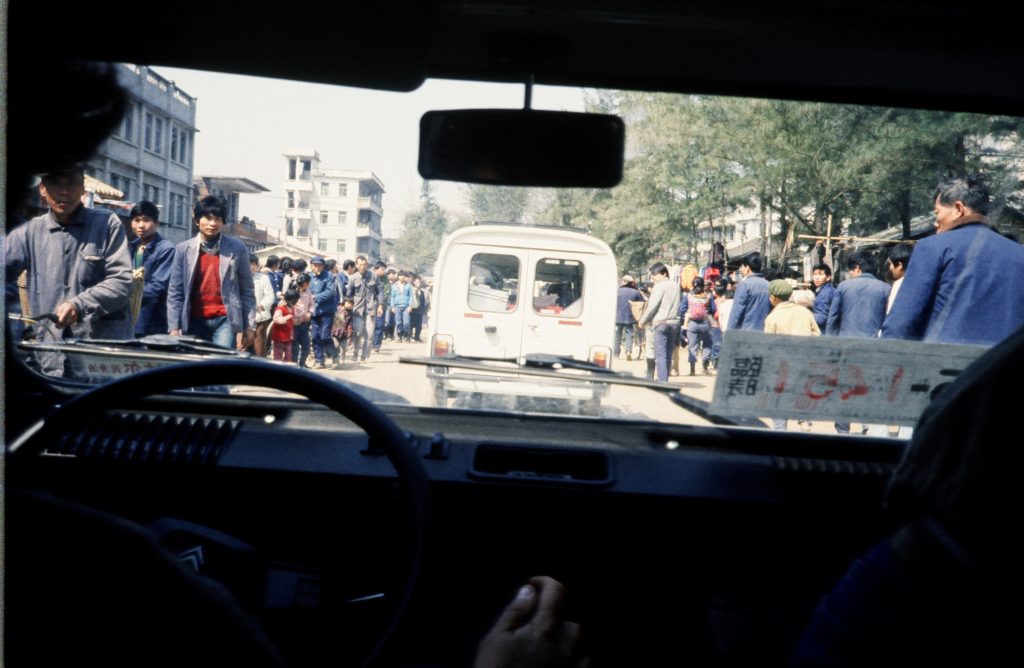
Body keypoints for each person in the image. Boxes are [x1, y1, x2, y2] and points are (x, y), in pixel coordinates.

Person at [5, 165, 134, 375]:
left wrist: (79, 304)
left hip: (101, 358)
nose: (64, 191)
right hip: (50, 356)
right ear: (43, 189)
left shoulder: (107, 224)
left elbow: (122, 281)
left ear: (83, 188)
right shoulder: (29, 232)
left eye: (71, 183)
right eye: (56, 183)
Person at [882, 176, 1024, 346]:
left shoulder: (933, 247)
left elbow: (901, 323)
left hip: (947, 365)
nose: (936, 223)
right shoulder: (1018, 253)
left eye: (938, 213)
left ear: (958, 208)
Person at [167, 196, 256, 350]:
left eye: (218, 219)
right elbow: (175, 291)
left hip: (225, 320)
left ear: (223, 222)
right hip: (194, 319)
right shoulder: (183, 249)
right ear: (197, 220)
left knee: (219, 365)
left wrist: (249, 326)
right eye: (207, 218)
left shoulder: (237, 248)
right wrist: (174, 326)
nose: (213, 223)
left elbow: (247, 290)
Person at [825, 252, 890, 434]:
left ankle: (843, 429)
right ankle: (867, 426)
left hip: (846, 347)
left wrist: (829, 344)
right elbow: (888, 320)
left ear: (857, 268)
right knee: (869, 387)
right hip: (874, 347)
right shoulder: (885, 288)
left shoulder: (844, 287)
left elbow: (833, 319)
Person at [763, 279, 821, 430]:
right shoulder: (805, 312)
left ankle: (781, 431)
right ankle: (804, 421)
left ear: (773, 298)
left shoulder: (772, 318)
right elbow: (817, 336)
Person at [127, 200, 175, 337]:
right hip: (129, 320)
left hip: (152, 322)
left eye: (146, 220)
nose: (141, 225)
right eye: (136, 220)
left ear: (156, 223)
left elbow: (157, 286)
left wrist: (123, 293)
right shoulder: (131, 247)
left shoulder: (166, 249)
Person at [637, 262, 681, 382]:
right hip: (674, 323)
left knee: (660, 353)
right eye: (652, 275)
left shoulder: (659, 286)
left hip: (661, 323)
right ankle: (664, 379)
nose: (653, 277)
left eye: (654, 275)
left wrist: (642, 321)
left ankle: (662, 381)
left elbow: (652, 306)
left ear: (663, 273)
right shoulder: (676, 286)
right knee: (667, 353)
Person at [308, 256, 340, 368]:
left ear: (323, 266)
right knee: (315, 336)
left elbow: (330, 292)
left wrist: (315, 297)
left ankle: (334, 354)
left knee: (324, 335)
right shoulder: (308, 276)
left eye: (319, 265)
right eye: (315, 265)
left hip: (327, 310)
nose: (317, 267)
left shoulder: (329, 276)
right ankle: (319, 360)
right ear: (311, 265)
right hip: (313, 311)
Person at [680, 277, 716, 375]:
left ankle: (692, 369)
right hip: (705, 323)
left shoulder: (688, 296)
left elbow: (682, 310)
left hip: (692, 324)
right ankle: (705, 367)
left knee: (692, 346)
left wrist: (687, 316)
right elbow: (713, 309)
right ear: (703, 285)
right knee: (707, 344)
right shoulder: (708, 295)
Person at [727, 252, 771, 331]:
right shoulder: (769, 285)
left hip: (746, 333)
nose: (741, 269)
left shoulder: (744, 285)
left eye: (742, 267)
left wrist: (728, 333)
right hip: (764, 332)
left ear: (747, 268)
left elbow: (736, 312)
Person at [347, 255, 378, 362]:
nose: (363, 267)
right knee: (358, 332)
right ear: (356, 265)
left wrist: (381, 305)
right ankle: (355, 353)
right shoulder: (353, 278)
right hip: (358, 310)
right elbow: (349, 294)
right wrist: (349, 302)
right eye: (360, 264)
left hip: (371, 309)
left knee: (369, 334)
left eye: (365, 265)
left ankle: (364, 356)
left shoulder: (374, 276)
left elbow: (380, 291)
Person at [250, 254, 276, 358]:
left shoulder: (263, 278)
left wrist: (261, 306)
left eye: (253, 264)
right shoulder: (238, 277)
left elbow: (270, 295)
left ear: (257, 266)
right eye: (248, 264)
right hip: (242, 318)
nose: (251, 267)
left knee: (259, 347)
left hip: (260, 317)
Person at [614, 274, 643, 361]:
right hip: (630, 317)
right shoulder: (636, 292)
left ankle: (616, 354)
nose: (621, 282)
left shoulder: (617, 291)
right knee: (629, 335)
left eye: (622, 281)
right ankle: (628, 351)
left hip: (618, 317)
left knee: (617, 336)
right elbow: (641, 303)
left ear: (625, 282)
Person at [271, 288, 300, 362]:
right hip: (279, 337)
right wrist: (287, 317)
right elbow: (276, 319)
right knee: (278, 357)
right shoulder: (280, 308)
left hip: (288, 337)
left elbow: (291, 321)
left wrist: (297, 321)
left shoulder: (292, 308)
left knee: (288, 357)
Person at [884, 242, 913, 314]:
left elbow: (891, 314)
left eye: (890, 264)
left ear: (900, 265)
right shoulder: (924, 281)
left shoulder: (899, 285)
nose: (890, 268)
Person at [292, 273, 313, 368]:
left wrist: (310, 313)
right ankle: (295, 367)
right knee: (295, 348)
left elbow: (312, 305)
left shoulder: (308, 292)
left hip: (304, 324)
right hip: (294, 324)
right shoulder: (293, 292)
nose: (304, 286)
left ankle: (301, 364)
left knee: (306, 347)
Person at [390, 271, 414, 342]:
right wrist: (392, 306)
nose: (402, 277)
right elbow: (392, 297)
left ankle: (406, 335)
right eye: (400, 276)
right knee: (398, 322)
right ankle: (399, 336)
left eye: (403, 276)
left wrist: (410, 306)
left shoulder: (408, 285)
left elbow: (411, 296)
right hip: (397, 306)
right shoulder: (394, 286)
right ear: (398, 276)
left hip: (406, 306)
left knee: (406, 322)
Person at [810, 263, 834, 332]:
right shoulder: (824, 290)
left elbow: (822, 318)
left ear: (828, 277)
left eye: (820, 274)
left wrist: (805, 315)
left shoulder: (825, 293)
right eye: (815, 274)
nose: (817, 277)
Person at [332, 297, 355, 363]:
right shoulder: (338, 309)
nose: (349, 305)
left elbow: (350, 324)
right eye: (348, 303)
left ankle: (342, 360)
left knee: (343, 348)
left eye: (351, 304)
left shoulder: (350, 313)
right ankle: (335, 359)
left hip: (344, 333)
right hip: (335, 333)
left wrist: (349, 332)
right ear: (343, 303)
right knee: (336, 346)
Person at [410, 275, 427, 342]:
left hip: (419, 311)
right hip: (412, 310)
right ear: (413, 282)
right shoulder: (411, 290)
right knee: (411, 324)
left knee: (419, 325)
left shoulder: (421, 292)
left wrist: (423, 310)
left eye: (419, 282)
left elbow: (423, 301)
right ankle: (409, 336)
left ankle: (417, 337)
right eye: (416, 282)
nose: (418, 283)